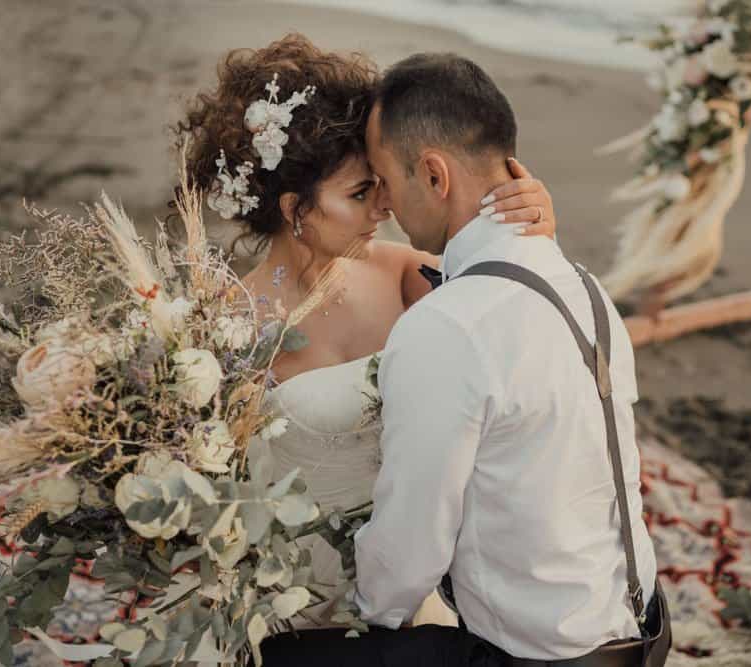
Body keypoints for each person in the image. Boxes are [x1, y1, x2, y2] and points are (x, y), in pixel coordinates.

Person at [257, 53, 671, 666]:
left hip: (537, 658)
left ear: (433, 174)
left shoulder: (449, 325)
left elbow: (407, 557)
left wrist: (357, 615)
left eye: (386, 183)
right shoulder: (582, 284)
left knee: (280, 657)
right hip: (642, 628)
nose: (387, 209)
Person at [174, 33, 556, 631]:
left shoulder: (405, 273)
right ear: (296, 207)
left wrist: (532, 228)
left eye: (379, 183)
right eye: (359, 192)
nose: (384, 206)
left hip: (407, 571)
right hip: (276, 587)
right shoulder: (222, 326)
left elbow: (520, 322)